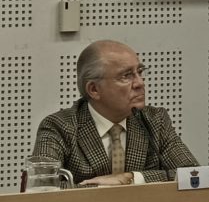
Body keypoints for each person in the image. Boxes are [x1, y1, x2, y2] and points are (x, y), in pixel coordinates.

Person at [31, 40, 198, 186]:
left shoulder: (155, 120)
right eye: (126, 76)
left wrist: (130, 178)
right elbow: (42, 189)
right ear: (94, 89)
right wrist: (103, 188)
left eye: (139, 72)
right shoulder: (59, 127)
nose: (140, 83)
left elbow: (192, 175)